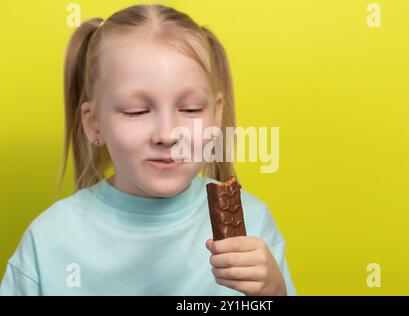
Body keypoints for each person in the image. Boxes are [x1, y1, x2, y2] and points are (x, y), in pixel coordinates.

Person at [0, 3, 296, 296]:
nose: (168, 135)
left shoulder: (253, 225)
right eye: (136, 111)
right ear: (94, 124)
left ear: (216, 116)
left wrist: (274, 294)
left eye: (190, 108)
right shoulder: (49, 241)